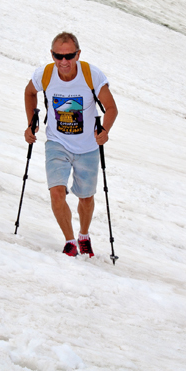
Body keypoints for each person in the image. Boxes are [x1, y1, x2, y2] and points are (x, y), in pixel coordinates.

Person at [24, 32, 118, 257]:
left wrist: (105, 131)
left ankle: (84, 235)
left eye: (69, 56)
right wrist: (31, 124)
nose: (63, 61)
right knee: (57, 192)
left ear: (78, 54)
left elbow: (111, 108)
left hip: (87, 146)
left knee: (86, 198)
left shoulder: (91, 75)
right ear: (52, 54)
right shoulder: (45, 74)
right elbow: (29, 93)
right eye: (58, 56)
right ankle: (70, 242)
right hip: (57, 142)